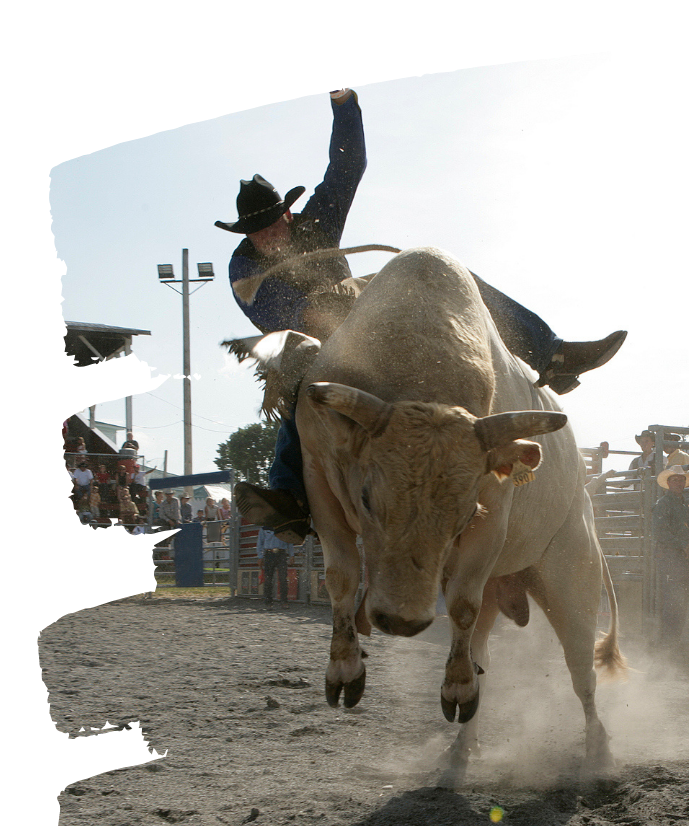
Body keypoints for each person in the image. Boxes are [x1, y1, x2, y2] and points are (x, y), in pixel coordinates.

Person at [217, 87, 627, 545]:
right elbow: (290, 316)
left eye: (272, 223)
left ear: (288, 214)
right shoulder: (244, 269)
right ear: (246, 234)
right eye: (257, 231)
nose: (268, 235)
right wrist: (323, 308)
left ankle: (549, 355)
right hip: (310, 338)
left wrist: (343, 102)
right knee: (300, 378)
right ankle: (290, 494)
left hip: (361, 316)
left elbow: (347, 168)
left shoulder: (316, 223)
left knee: (454, 278)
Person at [651, 465, 689, 646]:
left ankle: (671, 642)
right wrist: (684, 545)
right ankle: (668, 642)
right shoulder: (663, 504)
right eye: (675, 480)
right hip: (670, 560)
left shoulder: (682, 505)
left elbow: (684, 533)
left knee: (679, 601)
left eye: (681, 480)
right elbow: (660, 533)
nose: (679, 483)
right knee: (672, 601)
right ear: (668, 483)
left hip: (679, 560)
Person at [257, 526, 295, 606]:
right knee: (268, 579)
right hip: (269, 553)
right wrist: (260, 557)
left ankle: (284, 601)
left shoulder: (284, 526)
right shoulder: (264, 528)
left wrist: (292, 555)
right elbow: (260, 542)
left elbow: (289, 541)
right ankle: (268, 601)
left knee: (283, 578)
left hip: (281, 553)